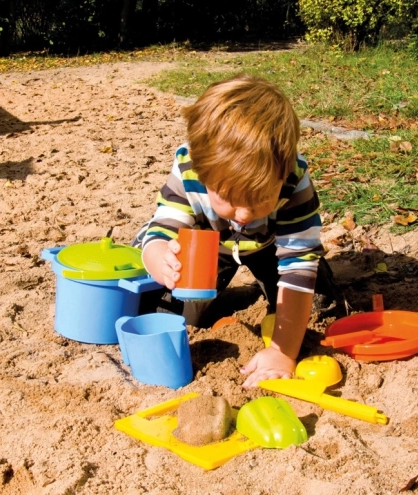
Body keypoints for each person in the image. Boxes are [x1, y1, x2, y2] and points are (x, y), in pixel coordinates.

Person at [132, 73, 336, 388]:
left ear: (282, 175)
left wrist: (283, 352)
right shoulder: (191, 169)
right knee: (168, 313)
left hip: (268, 245)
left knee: (322, 302)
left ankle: (272, 294)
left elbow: (298, 264)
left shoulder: (294, 181)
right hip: (205, 244)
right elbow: (163, 226)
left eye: (259, 200)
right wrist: (160, 259)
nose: (242, 214)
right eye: (227, 198)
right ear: (203, 171)